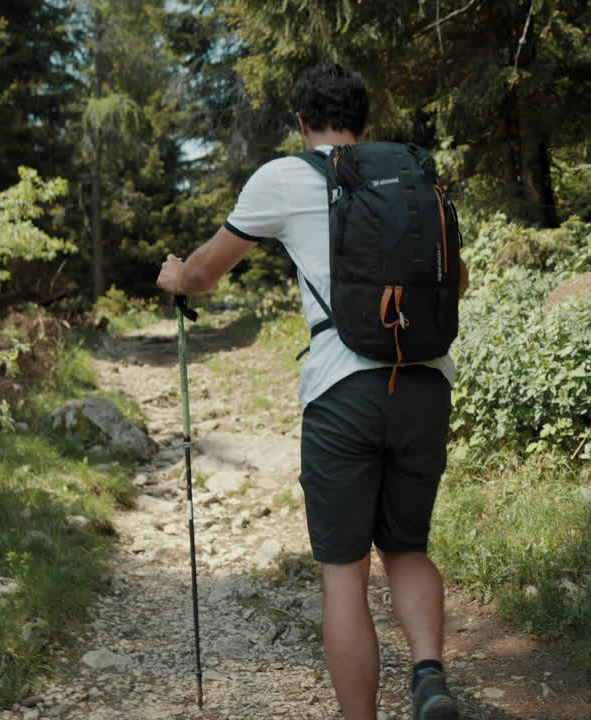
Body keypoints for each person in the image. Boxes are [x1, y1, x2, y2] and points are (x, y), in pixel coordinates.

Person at [155, 62, 466, 720]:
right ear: (363, 122)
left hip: (343, 389)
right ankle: (430, 676)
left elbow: (207, 272)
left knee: (344, 575)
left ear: (302, 123)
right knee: (408, 548)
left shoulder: (284, 177)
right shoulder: (412, 179)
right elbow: (454, 282)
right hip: (426, 385)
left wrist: (175, 276)